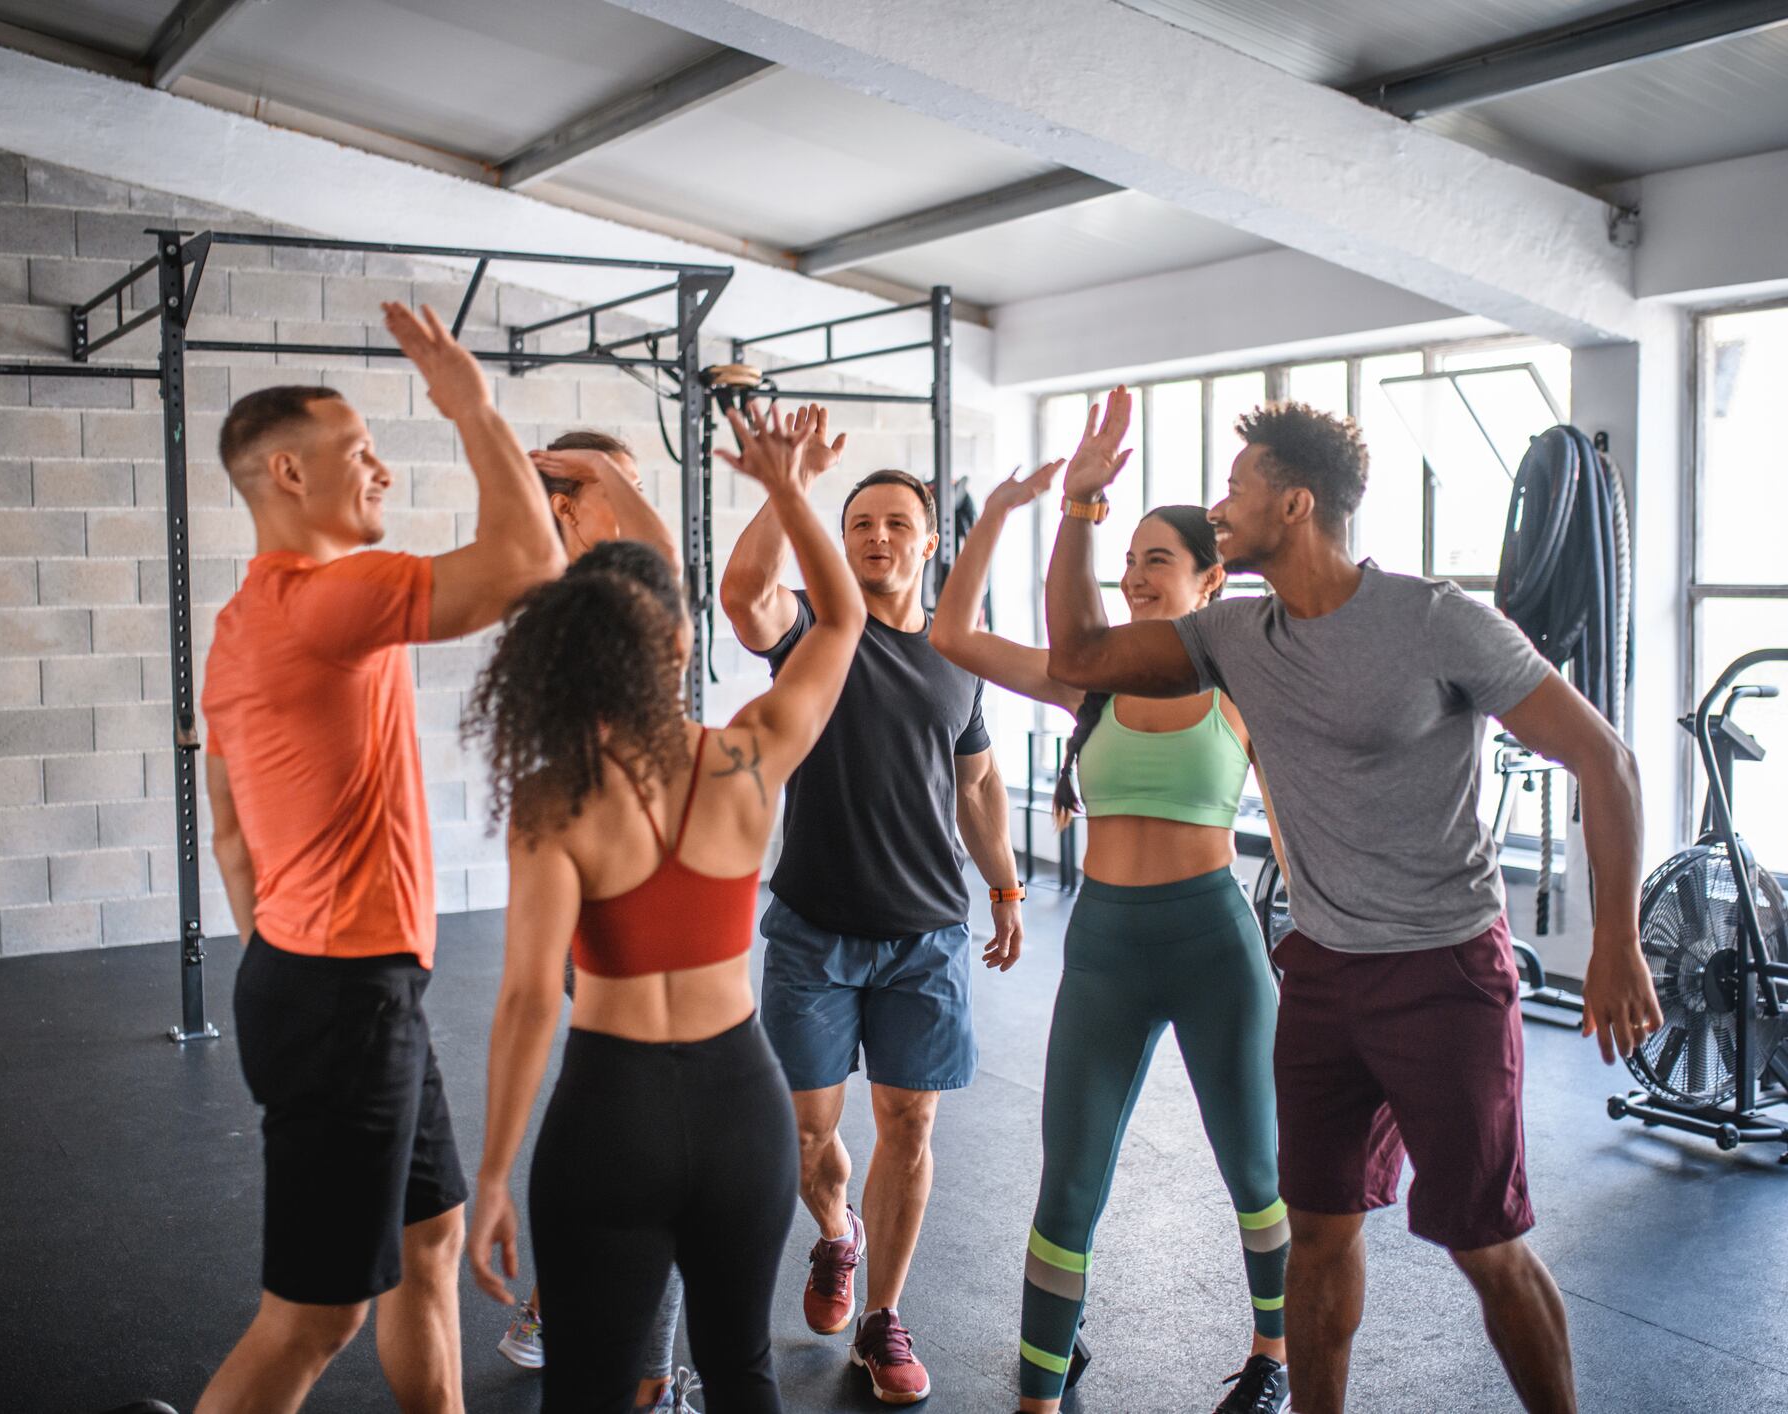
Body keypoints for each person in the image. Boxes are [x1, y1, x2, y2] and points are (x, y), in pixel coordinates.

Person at [1040, 389, 1661, 1414]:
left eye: (1235, 487)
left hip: (1444, 972)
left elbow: (1607, 759)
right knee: (1319, 1232)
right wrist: (1079, 507)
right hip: (1321, 973)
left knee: (1486, 1244)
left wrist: (1618, 942)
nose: (1217, 505)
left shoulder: (1437, 619)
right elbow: (1078, 656)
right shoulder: (1234, 633)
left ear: (1293, 504)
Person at [195, 303, 568, 1414]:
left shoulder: (240, 620)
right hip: (342, 996)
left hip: (333, 982)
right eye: (360, 452)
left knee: (433, 1234)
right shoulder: (321, 600)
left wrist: (289, 949)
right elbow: (529, 561)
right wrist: (470, 404)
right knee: (314, 1317)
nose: (383, 473)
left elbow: (228, 829)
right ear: (285, 472)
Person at [465, 404, 865, 1414]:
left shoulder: (555, 795)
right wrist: (786, 489)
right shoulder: (746, 755)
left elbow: (524, 1002)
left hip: (611, 1113)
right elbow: (845, 617)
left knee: (591, 1390)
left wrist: (495, 1174)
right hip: (743, 1105)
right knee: (743, 1372)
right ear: (682, 644)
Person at [931, 463, 1292, 1414]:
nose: (1132, 577)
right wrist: (1008, 512)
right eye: (1125, 561)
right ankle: (1038, 1400)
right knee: (1068, 1183)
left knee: (1253, 1170)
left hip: (1216, 947)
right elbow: (952, 634)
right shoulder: (1085, 680)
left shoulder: (1243, 683)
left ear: (1211, 578)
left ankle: (1270, 1355)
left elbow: (1297, 831)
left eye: (1157, 560)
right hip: (1105, 953)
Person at [719, 407, 1026, 1406]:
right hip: (813, 927)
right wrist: (783, 485)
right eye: (861, 524)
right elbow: (745, 594)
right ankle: (837, 1236)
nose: (879, 538)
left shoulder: (954, 653)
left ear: (929, 539)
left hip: (927, 932)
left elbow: (977, 785)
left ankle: (884, 1315)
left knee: (910, 1122)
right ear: (841, 539)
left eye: (898, 523)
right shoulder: (813, 626)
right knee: (813, 1142)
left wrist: (1007, 885)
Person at [493, 427, 698, 1414]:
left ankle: (650, 1372)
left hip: (674, 879)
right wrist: (555, 493)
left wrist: (608, 478)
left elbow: (666, 574)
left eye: (587, 487)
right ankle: (561, 1294)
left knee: (652, 1123)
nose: (576, 500)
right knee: (598, 1103)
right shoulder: (545, 577)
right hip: (581, 865)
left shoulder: (642, 586)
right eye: (565, 487)